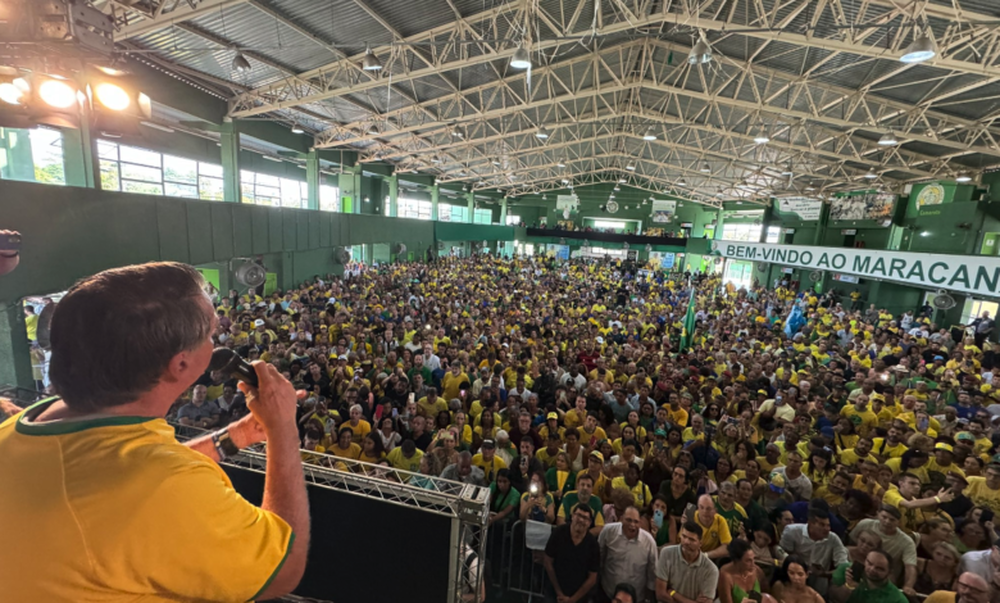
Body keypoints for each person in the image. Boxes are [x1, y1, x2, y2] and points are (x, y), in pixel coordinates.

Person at [0, 262, 308, 601]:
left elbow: (121, 481)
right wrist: (283, 430)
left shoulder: (22, 426)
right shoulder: (163, 485)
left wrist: (234, 438)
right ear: (180, 365)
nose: (215, 340)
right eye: (209, 335)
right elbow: (282, 570)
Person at [779, 499, 848, 597]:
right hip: (792, 580)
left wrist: (823, 573)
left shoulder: (833, 538)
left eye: (828, 525)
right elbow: (783, 554)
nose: (827, 529)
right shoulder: (791, 531)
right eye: (822, 525)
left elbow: (843, 566)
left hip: (819, 589)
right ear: (811, 523)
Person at [849, 505, 918, 595]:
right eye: (884, 517)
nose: (887, 522)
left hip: (883, 580)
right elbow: (852, 543)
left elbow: (910, 567)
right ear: (878, 515)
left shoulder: (907, 542)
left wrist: (908, 586)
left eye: (892, 520)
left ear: (899, 522)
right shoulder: (865, 524)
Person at [597, 506, 658, 603]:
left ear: (640, 523)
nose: (632, 525)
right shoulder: (608, 532)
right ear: (621, 519)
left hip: (636, 598)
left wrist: (649, 596)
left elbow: (652, 573)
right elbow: (599, 558)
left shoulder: (649, 542)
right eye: (629, 520)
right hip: (608, 593)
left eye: (636, 521)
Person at [544, 503, 601, 603]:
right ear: (572, 516)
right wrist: (559, 593)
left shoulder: (593, 545)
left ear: (589, 523)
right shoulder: (558, 533)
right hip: (554, 593)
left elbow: (592, 578)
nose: (581, 520)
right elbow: (548, 561)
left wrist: (572, 600)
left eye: (585, 518)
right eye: (579, 515)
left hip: (579, 597)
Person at [655, 520, 719, 603]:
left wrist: (673, 593)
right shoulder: (666, 553)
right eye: (684, 536)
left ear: (700, 543)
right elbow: (660, 594)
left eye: (692, 539)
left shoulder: (711, 569)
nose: (686, 542)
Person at [831, 549, 908, 603]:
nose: (872, 569)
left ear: (890, 572)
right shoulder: (847, 569)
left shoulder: (897, 599)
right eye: (869, 563)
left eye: (879, 568)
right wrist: (848, 586)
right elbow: (833, 598)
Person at [717, 538, 769, 603]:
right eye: (748, 561)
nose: (753, 564)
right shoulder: (726, 576)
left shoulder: (757, 570)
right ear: (736, 561)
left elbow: (767, 595)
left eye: (753, 559)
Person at [923, 572, 990, 603]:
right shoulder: (939, 596)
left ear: (986, 595)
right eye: (964, 586)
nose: (967, 592)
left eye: (975, 590)